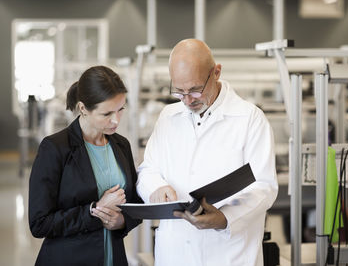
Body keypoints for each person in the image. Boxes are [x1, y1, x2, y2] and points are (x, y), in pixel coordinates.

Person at [137, 39, 278, 266]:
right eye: (179, 91)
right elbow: (148, 169)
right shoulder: (167, 117)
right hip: (174, 255)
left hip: (230, 255)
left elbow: (264, 187)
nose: (187, 100)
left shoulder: (250, 119)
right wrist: (156, 188)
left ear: (216, 72)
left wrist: (224, 219)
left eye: (194, 90)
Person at [29, 65, 142, 266]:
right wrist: (94, 210)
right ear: (83, 108)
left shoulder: (121, 144)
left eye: (120, 109)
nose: (116, 120)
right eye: (106, 114)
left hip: (113, 258)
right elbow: (39, 223)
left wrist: (123, 221)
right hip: (69, 259)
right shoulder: (55, 148)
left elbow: (134, 203)